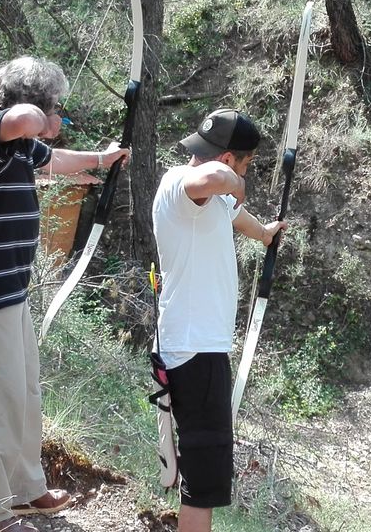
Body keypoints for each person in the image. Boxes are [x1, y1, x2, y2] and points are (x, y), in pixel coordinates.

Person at [0, 56, 130, 532]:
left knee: (24, 388)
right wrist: (42, 117)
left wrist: (101, 160)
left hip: (9, 284)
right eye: (56, 108)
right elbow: (26, 121)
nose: (57, 119)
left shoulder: (21, 143)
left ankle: (26, 490)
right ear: (33, 101)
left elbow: (57, 159)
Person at [151, 108, 287, 532]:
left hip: (196, 346)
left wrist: (266, 233)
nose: (242, 174)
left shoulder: (211, 202)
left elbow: (240, 218)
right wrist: (235, 180)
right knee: (203, 475)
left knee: (200, 465)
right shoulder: (183, 184)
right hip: (195, 349)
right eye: (244, 163)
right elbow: (209, 181)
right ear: (229, 159)